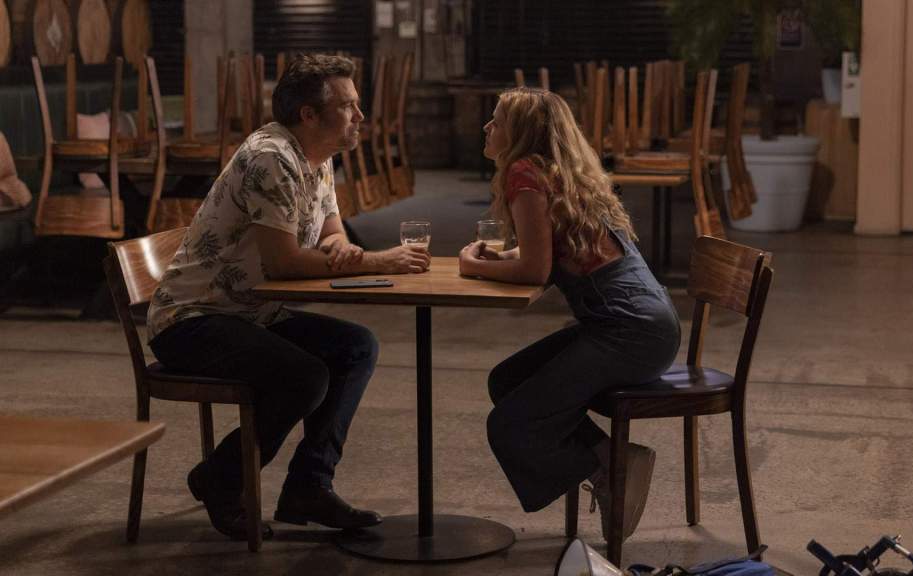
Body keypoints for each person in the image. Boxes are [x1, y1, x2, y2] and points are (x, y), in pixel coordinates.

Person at [146, 54, 431, 541]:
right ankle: (221, 479)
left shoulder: (317, 158)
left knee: (356, 346)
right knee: (305, 375)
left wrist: (343, 251)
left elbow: (332, 232)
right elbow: (283, 264)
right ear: (308, 115)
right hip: (191, 319)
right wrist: (375, 261)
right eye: (349, 106)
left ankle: (308, 488)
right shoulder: (271, 159)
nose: (361, 116)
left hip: (249, 312)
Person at [458, 87, 681, 541]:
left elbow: (535, 269)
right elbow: (549, 252)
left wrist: (473, 265)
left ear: (520, 134)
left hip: (627, 330)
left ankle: (607, 470)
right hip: (644, 322)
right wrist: (503, 260)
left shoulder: (524, 174)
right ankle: (609, 456)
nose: (487, 126)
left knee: (509, 423)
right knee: (507, 381)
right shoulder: (561, 174)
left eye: (496, 120)